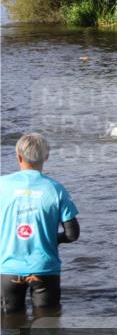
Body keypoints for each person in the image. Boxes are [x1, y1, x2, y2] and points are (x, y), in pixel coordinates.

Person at [0, 133, 79, 316]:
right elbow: (72, 234)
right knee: (47, 327)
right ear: (46, 157)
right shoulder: (55, 189)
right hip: (45, 269)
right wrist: (52, 239)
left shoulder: (2, 185)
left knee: (10, 326)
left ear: (18, 156)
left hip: (8, 269)